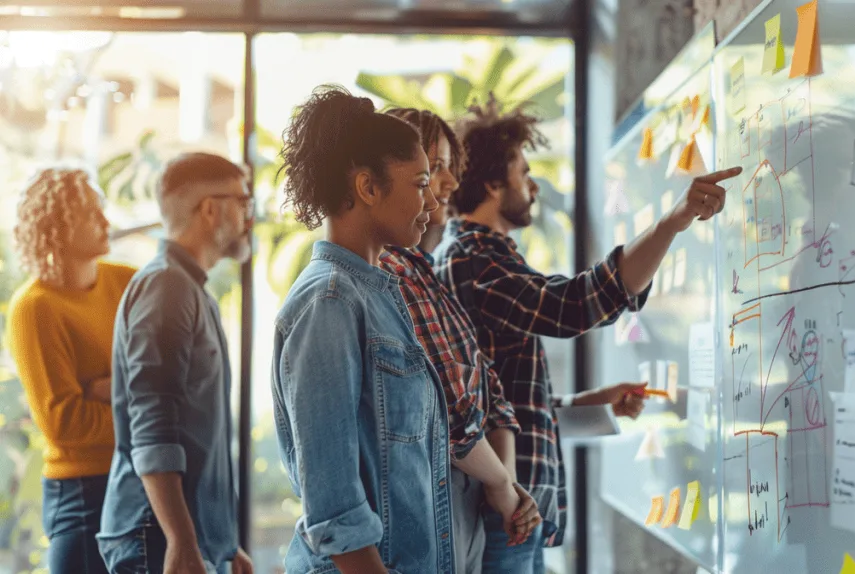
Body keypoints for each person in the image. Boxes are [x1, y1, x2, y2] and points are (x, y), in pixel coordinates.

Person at [433, 95, 742, 572]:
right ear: (494, 184)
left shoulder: (480, 256)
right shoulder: (472, 259)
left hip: (516, 508)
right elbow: (573, 305)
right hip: (506, 511)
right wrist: (670, 224)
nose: (533, 186)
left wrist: (588, 403)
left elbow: (500, 402)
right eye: (523, 172)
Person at [271, 86, 454, 574]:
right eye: (420, 183)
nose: (433, 200)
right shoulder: (329, 301)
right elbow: (335, 507)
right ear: (368, 188)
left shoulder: (376, 292)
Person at [379, 108, 541, 573]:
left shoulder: (424, 272)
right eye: (434, 168)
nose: (449, 182)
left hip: (492, 502)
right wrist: (502, 486)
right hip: (465, 508)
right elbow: (458, 411)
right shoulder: (392, 276)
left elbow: (487, 389)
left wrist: (505, 486)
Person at [96, 152, 255, 574]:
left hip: (184, 537)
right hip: (156, 537)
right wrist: (181, 541)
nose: (249, 217)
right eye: (243, 202)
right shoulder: (166, 286)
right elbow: (153, 425)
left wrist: (223, 544)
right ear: (210, 209)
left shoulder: (188, 287)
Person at [6, 169, 136, 574]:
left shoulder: (129, 282)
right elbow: (64, 423)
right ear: (59, 225)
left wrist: (106, 390)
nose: (106, 223)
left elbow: (173, 382)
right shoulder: (34, 307)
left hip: (139, 478)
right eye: (92, 215)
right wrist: (137, 402)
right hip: (81, 495)